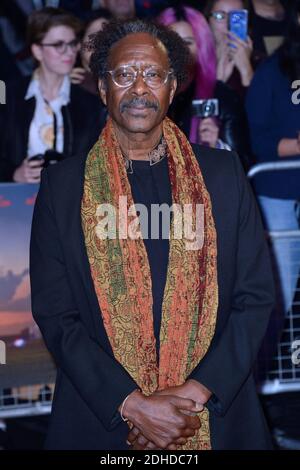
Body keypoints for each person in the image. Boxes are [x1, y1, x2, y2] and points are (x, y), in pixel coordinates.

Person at [30, 18, 275, 450]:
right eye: (124, 75)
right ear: (103, 88)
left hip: (217, 411)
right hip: (102, 418)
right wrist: (132, 405)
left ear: (172, 86)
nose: (139, 89)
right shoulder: (63, 187)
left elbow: (254, 297)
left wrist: (195, 393)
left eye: (153, 75)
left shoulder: (223, 175)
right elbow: (56, 314)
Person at [0, 7, 106, 183]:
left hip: (68, 202)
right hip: (16, 201)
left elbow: (98, 167)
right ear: (37, 51)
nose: (69, 51)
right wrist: (13, 174)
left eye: (72, 43)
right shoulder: (9, 96)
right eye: (58, 45)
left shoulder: (90, 104)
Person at [246, 0, 300, 315]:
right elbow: (257, 139)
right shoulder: (273, 69)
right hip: (278, 190)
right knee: (283, 284)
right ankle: (272, 360)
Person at [158, 5, 252, 170]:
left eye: (188, 42)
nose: (180, 50)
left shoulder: (221, 96)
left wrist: (219, 147)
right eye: (171, 43)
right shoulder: (145, 94)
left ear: (201, 46)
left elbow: (243, 164)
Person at [204, 0, 254, 94]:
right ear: (208, 21)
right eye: (220, 16)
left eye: (237, 17)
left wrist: (246, 71)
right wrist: (219, 79)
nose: (228, 25)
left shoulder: (263, 65)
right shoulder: (196, 65)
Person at [70, 8, 112, 95]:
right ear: (79, 43)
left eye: (105, 35)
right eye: (92, 35)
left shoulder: (122, 83)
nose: (98, 41)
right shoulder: (66, 82)